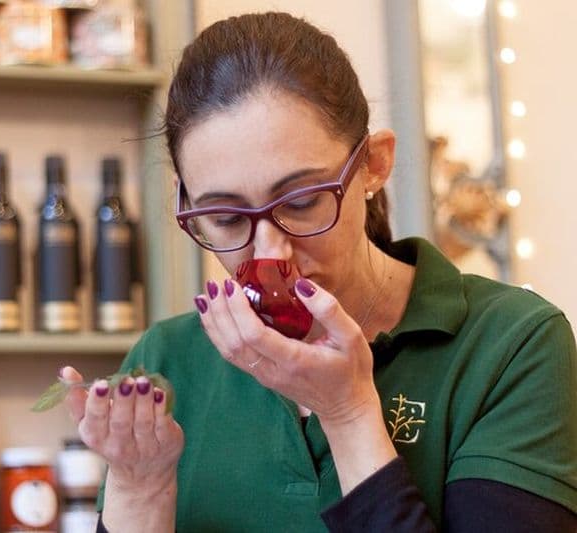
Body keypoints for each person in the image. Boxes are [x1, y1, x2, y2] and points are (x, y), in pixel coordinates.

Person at [60, 12, 577, 532]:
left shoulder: (512, 343)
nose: (271, 254)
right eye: (226, 217)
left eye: (304, 201)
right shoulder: (166, 360)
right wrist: (140, 486)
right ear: (185, 200)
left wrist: (349, 414)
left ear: (374, 164)